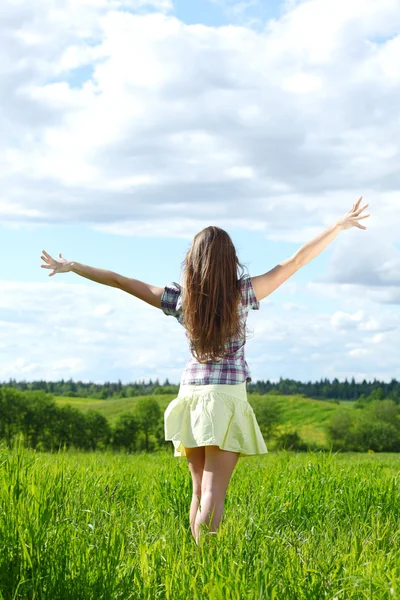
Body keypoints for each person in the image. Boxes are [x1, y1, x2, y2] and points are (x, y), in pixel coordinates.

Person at [40, 197, 370, 547]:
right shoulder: (243, 294)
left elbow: (121, 281)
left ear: (192, 263)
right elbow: (296, 261)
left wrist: (73, 266)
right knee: (214, 490)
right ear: (231, 262)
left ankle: (196, 562)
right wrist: (337, 226)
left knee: (198, 489)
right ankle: (207, 561)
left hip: (191, 396)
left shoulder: (181, 300)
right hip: (225, 399)